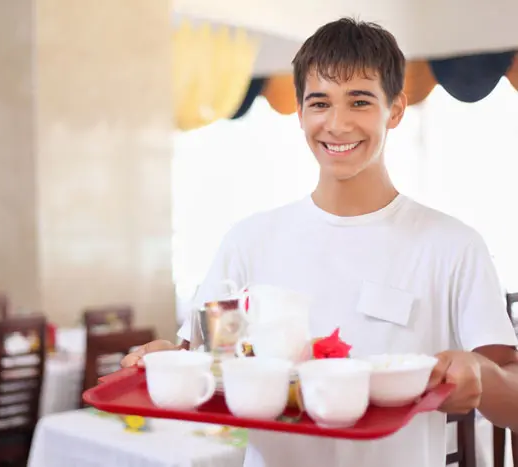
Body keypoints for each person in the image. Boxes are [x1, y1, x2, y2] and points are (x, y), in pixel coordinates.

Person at [121, 18, 518, 467]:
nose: (337, 123)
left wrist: (481, 375)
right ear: (301, 111)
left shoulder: (453, 246)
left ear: (396, 110)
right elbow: (209, 361)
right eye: (320, 102)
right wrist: (167, 362)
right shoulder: (249, 241)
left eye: (360, 101)